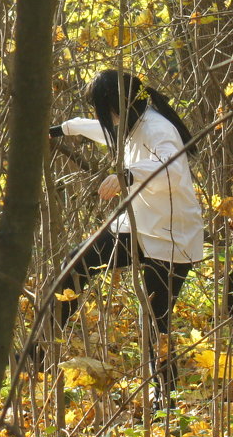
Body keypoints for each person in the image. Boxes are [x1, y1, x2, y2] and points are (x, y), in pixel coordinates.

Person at [50, 69, 204, 406]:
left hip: (171, 236)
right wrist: (65, 128)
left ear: (117, 106)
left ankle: (166, 398)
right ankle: (44, 347)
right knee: (79, 260)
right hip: (136, 226)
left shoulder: (157, 128)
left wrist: (127, 174)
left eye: (103, 111)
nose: (103, 119)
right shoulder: (134, 122)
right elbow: (107, 132)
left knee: (155, 318)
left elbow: (172, 170)